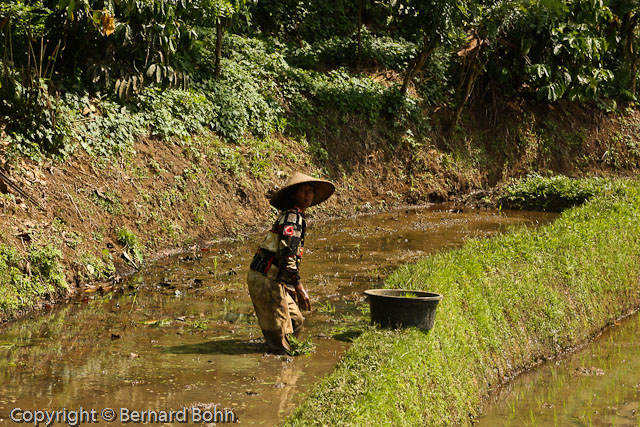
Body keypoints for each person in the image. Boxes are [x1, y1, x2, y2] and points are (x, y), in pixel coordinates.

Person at [247, 172, 335, 354]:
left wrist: (288, 284)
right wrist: (299, 287)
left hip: (273, 277)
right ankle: (280, 366)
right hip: (265, 277)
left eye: (311, 191)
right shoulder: (292, 218)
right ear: (293, 195)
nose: (308, 195)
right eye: (304, 191)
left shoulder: (295, 216)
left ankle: (274, 348)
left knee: (296, 320)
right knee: (281, 343)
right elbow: (287, 255)